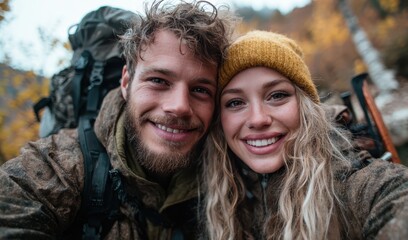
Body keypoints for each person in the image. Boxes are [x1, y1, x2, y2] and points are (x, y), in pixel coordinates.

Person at [0, 1, 236, 239]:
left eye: (201, 90)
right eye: (158, 81)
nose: (180, 106)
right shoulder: (57, 167)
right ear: (126, 83)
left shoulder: (234, 177)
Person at [201, 30, 408, 240]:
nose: (258, 119)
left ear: (306, 106)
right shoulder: (218, 188)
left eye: (277, 95)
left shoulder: (350, 179)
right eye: (235, 102)